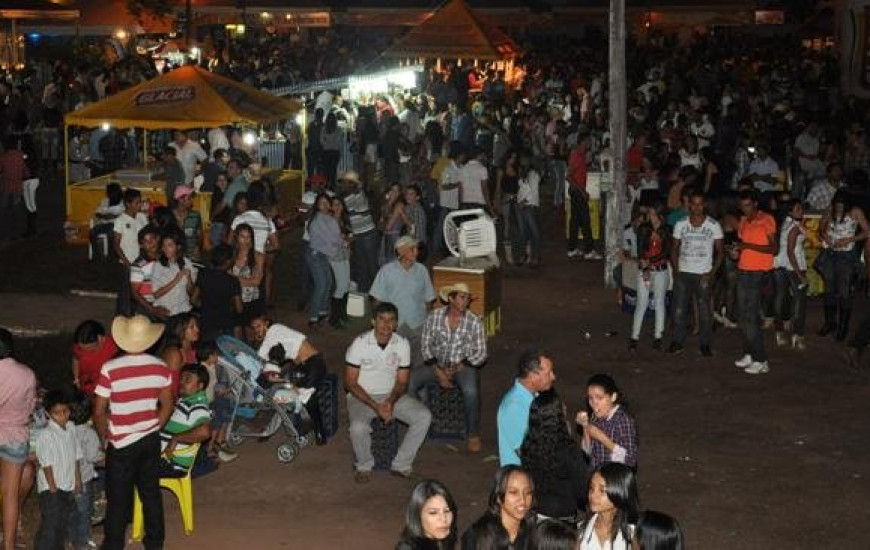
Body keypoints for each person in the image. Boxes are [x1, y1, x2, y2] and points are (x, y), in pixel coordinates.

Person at [94, 315, 174, 550]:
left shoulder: (111, 368)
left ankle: (113, 545)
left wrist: (104, 437)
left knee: (118, 500)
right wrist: (153, 427)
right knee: (151, 494)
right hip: (149, 440)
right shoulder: (161, 366)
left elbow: (99, 410)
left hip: (121, 444)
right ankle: (155, 543)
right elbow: (168, 404)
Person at [344, 302, 432, 483]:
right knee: (358, 427)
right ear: (373, 322)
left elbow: (401, 381)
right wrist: (376, 406)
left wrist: (390, 402)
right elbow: (351, 383)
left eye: (391, 320)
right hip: (362, 397)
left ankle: (401, 464)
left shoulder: (402, 344)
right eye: (381, 320)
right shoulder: (359, 344)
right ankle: (364, 465)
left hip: (391, 394)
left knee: (423, 417)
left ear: (396, 323)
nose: (386, 325)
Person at [413, 283, 487, 453]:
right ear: (451, 299)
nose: (466, 301)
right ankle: (421, 420)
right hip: (436, 364)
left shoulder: (474, 321)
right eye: (462, 297)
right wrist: (439, 371)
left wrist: (460, 366)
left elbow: (481, 353)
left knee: (471, 391)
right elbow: (425, 346)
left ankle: (473, 433)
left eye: (467, 298)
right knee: (410, 381)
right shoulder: (434, 317)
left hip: (462, 366)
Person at [250, 316, 328, 443]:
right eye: (254, 328)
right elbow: (265, 358)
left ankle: (319, 431)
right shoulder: (272, 341)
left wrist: (258, 341)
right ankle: (272, 429)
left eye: (259, 326)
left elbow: (259, 356)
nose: (257, 330)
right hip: (299, 367)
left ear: (266, 323)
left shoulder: (275, 329)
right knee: (284, 397)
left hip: (314, 363)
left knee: (306, 397)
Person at [668, 189, 723, 357]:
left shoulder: (713, 225)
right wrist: (677, 271)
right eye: (694, 204)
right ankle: (678, 342)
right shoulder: (681, 224)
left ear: (704, 205)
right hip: (684, 273)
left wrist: (711, 273)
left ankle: (704, 343)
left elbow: (720, 252)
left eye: (700, 204)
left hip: (703, 274)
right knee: (678, 310)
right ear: (689, 205)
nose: (697, 207)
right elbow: (674, 249)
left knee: (705, 311)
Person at [520, 389, 588, 523]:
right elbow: (582, 490)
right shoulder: (569, 450)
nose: (565, 407)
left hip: (536, 514)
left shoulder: (528, 446)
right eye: (561, 405)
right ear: (556, 415)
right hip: (563, 517)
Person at [370, 235, 437, 370]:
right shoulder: (386, 271)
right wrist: (380, 325)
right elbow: (377, 300)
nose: (416, 252)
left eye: (415, 249)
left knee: (419, 362)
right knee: (394, 362)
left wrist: (427, 322)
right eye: (412, 249)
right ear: (401, 251)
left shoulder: (422, 270)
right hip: (395, 325)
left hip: (418, 323)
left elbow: (429, 298)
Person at [0, 329, 37, 550]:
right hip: (15, 437)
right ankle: (9, 546)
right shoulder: (27, 374)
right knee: (11, 496)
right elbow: (31, 406)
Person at [733, 189, 777, 375]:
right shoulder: (743, 221)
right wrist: (736, 252)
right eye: (742, 206)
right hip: (744, 270)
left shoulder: (766, 220)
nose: (745, 209)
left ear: (756, 204)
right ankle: (750, 354)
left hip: (758, 273)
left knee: (750, 317)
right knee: (743, 316)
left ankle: (761, 360)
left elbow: (773, 248)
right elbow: (743, 246)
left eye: (748, 205)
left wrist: (747, 246)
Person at [816, 190, 869, 342]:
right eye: (836, 206)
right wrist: (825, 235)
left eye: (841, 206)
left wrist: (850, 239)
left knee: (844, 291)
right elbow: (821, 228)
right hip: (830, 254)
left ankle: (843, 327)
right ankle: (829, 323)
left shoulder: (855, 211)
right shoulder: (829, 209)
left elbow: (867, 231)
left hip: (846, 256)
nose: (838, 209)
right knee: (829, 289)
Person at [34, 389, 82, 550]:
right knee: (51, 524)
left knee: (61, 522)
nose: (63, 415)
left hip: (67, 483)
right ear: (48, 413)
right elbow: (46, 464)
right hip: (51, 487)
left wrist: (78, 479)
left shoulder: (72, 428)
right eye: (57, 412)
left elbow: (76, 455)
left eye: (65, 411)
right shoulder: (46, 435)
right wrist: (53, 487)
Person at [497, 349, 556, 466]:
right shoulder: (513, 407)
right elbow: (525, 454)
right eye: (548, 373)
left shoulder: (535, 396)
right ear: (533, 377)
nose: (553, 377)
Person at [461, 465, 535, 550]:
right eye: (513, 492)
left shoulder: (537, 531)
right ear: (498, 497)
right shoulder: (479, 537)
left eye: (528, 492)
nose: (523, 500)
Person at [629, 202, 671, 351]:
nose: (650, 217)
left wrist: (649, 262)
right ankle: (634, 337)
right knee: (641, 302)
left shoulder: (666, 230)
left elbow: (666, 252)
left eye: (653, 214)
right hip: (645, 269)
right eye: (649, 214)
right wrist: (644, 265)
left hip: (660, 270)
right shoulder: (643, 228)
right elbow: (640, 249)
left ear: (660, 215)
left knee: (659, 303)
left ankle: (658, 336)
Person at [158, 364, 213, 476]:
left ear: (200, 386)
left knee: (126, 461)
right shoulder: (185, 401)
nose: (182, 382)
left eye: (187, 379)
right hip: (164, 459)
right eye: (181, 379)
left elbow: (205, 432)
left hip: (172, 464)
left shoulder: (197, 406)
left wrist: (176, 438)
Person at [576, 374, 638, 470]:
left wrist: (602, 437)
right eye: (590, 398)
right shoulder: (594, 418)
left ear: (613, 397)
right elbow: (588, 453)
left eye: (599, 398)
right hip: (597, 476)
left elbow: (631, 460)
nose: (594, 403)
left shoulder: (623, 420)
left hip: (615, 480)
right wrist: (585, 426)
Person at [68, 391, 102, 550]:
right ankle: (82, 542)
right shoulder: (89, 433)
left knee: (70, 510)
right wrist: (104, 453)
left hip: (63, 480)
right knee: (84, 511)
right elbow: (93, 457)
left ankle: (71, 536)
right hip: (83, 479)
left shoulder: (63, 431)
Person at [772, 199, 808, 351]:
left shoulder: (786, 223)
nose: (801, 211)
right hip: (794, 266)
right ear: (790, 212)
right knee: (800, 302)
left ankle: (779, 332)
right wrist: (800, 274)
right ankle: (798, 335)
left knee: (780, 297)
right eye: (798, 209)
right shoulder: (793, 227)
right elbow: (790, 252)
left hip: (779, 265)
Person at [579, 463, 639, 550]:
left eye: (602, 490)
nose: (592, 495)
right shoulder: (580, 533)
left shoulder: (634, 534)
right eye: (591, 488)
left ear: (620, 493)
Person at [306, 192, 344, 327]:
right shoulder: (318, 219)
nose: (325, 205)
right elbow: (332, 238)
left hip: (323, 254)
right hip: (316, 255)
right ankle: (313, 317)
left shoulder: (328, 217)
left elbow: (337, 236)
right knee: (321, 284)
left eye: (327, 202)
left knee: (328, 282)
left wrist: (340, 241)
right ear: (317, 205)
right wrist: (341, 242)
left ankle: (322, 311)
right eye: (321, 203)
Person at [193, 244, 243, 341]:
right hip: (225, 326)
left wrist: (205, 305)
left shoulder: (203, 273)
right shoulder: (232, 281)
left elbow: (193, 300)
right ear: (228, 262)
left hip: (206, 323)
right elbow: (239, 309)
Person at [341, 170, 380, 292]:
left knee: (371, 266)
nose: (344, 184)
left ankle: (378, 292)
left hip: (367, 233)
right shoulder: (349, 195)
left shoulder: (358, 194)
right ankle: (364, 293)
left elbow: (362, 212)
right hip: (360, 234)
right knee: (362, 266)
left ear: (352, 183)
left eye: (346, 182)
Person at [395, 479, 458, 550]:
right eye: (433, 513)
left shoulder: (446, 534)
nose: (443, 519)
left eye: (447, 511)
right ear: (418, 515)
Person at [151, 228, 197, 321]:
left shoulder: (186, 263)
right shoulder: (158, 265)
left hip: (183, 310)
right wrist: (175, 281)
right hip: (165, 312)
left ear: (178, 247)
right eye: (164, 246)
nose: (165, 249)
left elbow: (191, 292)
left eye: (170, 245)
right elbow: (156, 294)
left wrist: (189, 279)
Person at [568, 134, 601, 259]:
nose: (590, 143)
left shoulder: (581, 155)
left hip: (576, 192)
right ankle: (589, 250)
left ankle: (572, 248)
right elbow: (569, 176)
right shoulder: (577, 155)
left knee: (575, 221)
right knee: (585, 220)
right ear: (582, 142)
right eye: (588, 141)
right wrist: (582, 191)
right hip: (577, 192)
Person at [230, 223, 264, 338]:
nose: (246, 240)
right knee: (236, 331)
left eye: (248, 237)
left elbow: (256, 281)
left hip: (251, 300)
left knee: (251, 332)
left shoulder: (257, 256)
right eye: (242, 236)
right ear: (236, 238)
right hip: (234, 299)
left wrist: (233, 279)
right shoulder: (231, 255)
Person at [128, 225, 168, 321]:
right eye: (146, 241)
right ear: (141, 245)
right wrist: (153, 310)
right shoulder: (138, 265)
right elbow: (135, 293)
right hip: (146, 307)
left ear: (158, 239)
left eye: (152, 239)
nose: (150, 243)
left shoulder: (166, 259)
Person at [71, 320, 119, 397]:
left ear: (100, 338)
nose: (84, 350)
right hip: (86, 386)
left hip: (106, 389)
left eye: (89, 348)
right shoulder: (79, 347)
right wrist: (76, 379)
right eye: (81, 348)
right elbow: (75, 359)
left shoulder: (114, 346)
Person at [160, 313, 200, 398]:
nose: (197, 329)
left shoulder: (191, 348)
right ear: (180, 330)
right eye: (192, 327)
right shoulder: (174, 353)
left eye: (196, 326)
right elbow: (171, 388)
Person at [329, 196, 353, 328]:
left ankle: (342, 313)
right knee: (341, 285)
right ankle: (334, 317)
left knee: (346, 284)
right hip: (335, 256)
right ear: (331, 207)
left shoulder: (344, 220)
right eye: (334, 205)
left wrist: (348, 239)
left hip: (345, 254)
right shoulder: (330, 221)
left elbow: (349, 236)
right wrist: (344, 240)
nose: (337, 207)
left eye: (339, 204)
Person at [171, 185, 202, 260]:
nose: (192, 200)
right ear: (180, 200)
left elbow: (200, 235)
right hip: (173, 257)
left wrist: (197, 247)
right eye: (189, 198)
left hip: (192, 256)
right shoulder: (170, 216)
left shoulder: (196, 215)